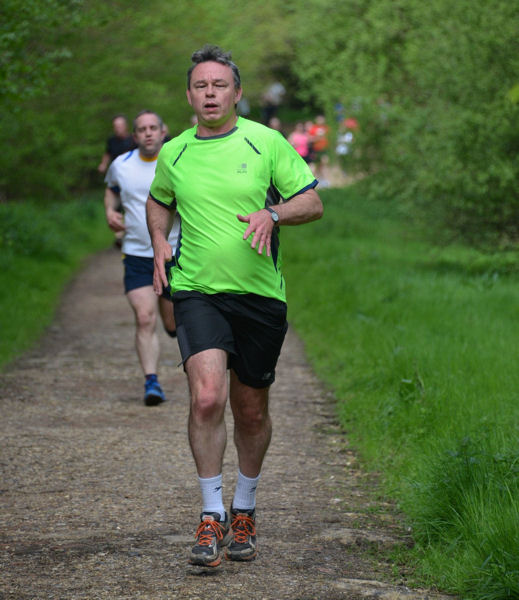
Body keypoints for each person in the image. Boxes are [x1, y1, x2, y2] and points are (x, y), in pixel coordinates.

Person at [146, 44, 323, 567]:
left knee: (250, 410)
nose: (210, 94)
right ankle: (210, 516)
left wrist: (274, 213)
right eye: (200, 86)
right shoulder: (175, 152)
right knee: (205, 397)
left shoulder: (265, 142)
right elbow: (159, 200)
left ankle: (244, 506)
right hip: (198, 290)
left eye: (219, 85)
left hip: (260, 296)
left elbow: (312, 202)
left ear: (237, 93)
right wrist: (159, 239)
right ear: (189, 96)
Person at [104, 110, 180, 406]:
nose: (148, 133)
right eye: (141, 129)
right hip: (136, 253)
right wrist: (110, 211)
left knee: (172, 322)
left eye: (153, 128)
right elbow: (111, 192)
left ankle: (172, 327)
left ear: (164, 131)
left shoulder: (179, 162)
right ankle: (152, 382)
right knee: (144, 317)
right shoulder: (120, 165)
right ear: (134, 136)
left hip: (175, 253)